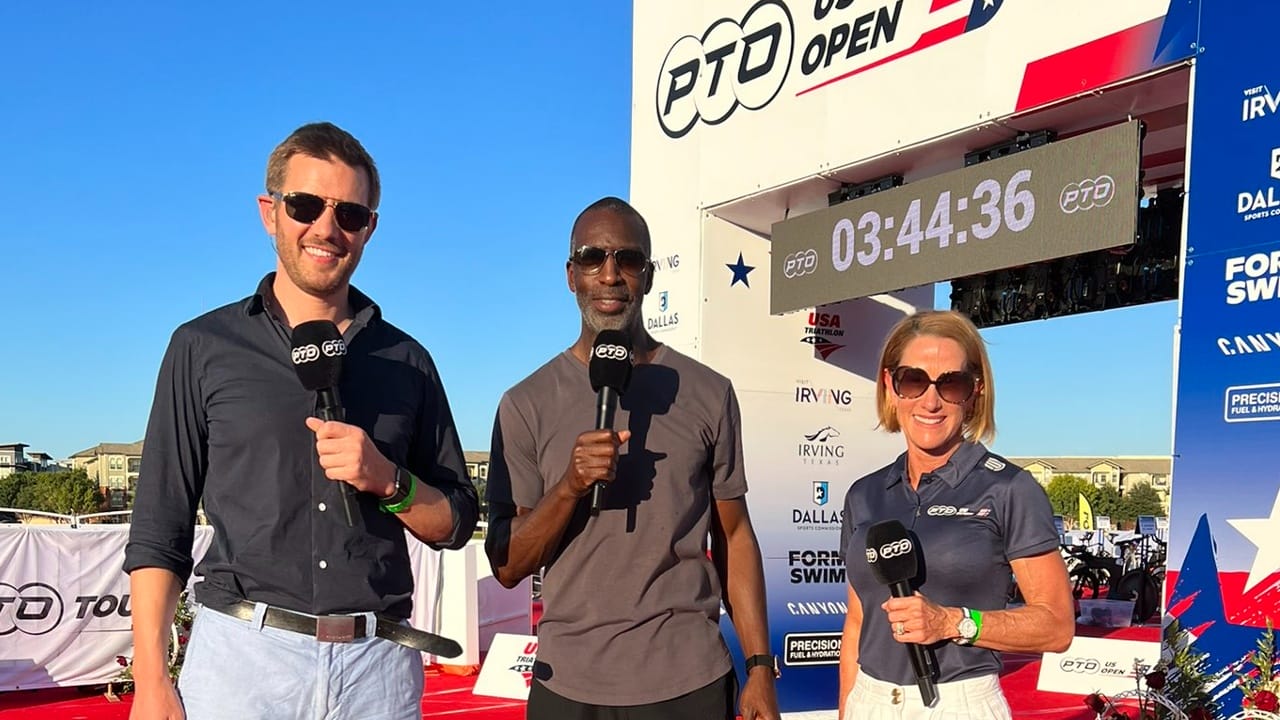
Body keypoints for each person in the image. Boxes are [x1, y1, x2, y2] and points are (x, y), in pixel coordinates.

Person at [123, 122, 478, 720]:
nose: (326, 229)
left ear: (370, 228)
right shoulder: (203, 346)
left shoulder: (408, 361)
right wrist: (151, 679)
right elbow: (162, 523)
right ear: (270, 212)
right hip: (241, 660)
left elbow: (455, 522)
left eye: (351, 214)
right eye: (306, 205)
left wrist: (390, 481)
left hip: (378, 667)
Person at [483, 197, 780, 720]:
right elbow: (508, 565)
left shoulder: (708, 392)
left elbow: (734, 535)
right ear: (571, 275)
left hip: (689, 679)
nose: (610, 274)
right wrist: (570, 486)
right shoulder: (524, 403)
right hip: (569, 684)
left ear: (647, 274)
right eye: (593, 257)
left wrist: (759, 666)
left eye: (628, 259)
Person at [837, 310, 1073, 719]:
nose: (931, 401)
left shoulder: (1010, 489)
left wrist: (953, 622)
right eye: (914, 380)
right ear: (892, 387)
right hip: (869, 701)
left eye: (951, 384)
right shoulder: (865, 493)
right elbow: (857, 622)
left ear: (974, 392)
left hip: (958, 704)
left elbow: (1056, 626)